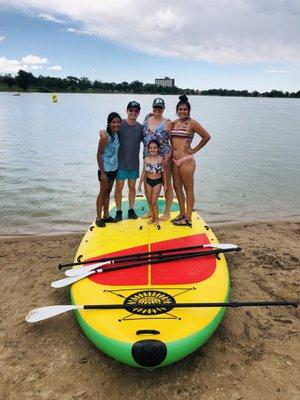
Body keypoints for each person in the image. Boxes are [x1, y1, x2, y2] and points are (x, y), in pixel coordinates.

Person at [170, 95, 211, 227]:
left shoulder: (192, 123)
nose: (182, 111)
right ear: (177, 110)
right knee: (177, 188)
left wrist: (194, 150)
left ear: (188, 111)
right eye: (180, 109)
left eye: (185, 110)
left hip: (186, 160)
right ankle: (182, 213)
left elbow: (206, 136)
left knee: (188, 188)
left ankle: (188, 218)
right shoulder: (175, 123)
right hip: (174, 161)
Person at [142, 98, 173, 220]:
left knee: (166, 184)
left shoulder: (168, 123)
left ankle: (167, 212)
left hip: (163, 159)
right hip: (147, 157)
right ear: (152, 108)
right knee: (147, 182)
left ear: (164, 109)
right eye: (155, 107)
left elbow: (173, 143)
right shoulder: (146, 119)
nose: (157, 109)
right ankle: (151, 210)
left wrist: (169, 156)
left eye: (160, 107)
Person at [114, 101, 143, 221]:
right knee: (118, 189)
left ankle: (131, 210)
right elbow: (110, 130)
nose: (133, 113)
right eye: (131, 110)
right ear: (127, 111)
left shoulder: (141, 128)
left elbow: (150, 140)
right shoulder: (120, 124)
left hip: (133, 164)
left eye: (136, 111)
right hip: (120, 164)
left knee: (132, 188)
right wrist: (103, 132)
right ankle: (119, 211)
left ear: (139, 112)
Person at [96, 112, 121, 227]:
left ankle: (106, 215)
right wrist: (102, 172)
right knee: (102, 193)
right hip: (105, 170)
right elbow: (99, 155)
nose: (116, 124)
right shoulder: (105, 137)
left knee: (108, 193)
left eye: (118, 122)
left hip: (114, 169)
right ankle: (98, 217)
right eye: (113, 122)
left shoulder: (116, 135)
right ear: (109, 123)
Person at [138, 140, 167, 228]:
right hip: (148, 181)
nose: (152, 149)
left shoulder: (160, 159)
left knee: (154, 201)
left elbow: (164, 172)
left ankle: (157, 219)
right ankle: (153, 218)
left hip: (157, 181)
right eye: (150, 148)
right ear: (148, 149)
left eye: (154, 148)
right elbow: (143, 172)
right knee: (150, 201)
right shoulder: (146, 159)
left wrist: (165, 184)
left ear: (158, 149)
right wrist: (139, 184)